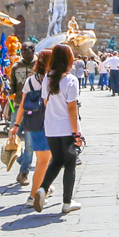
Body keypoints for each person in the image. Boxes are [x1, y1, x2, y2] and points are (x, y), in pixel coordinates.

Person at [35, 43, 82, 214]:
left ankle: (43, 189)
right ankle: (67, 202)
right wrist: (76, 132)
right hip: (66, 128)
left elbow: (46, 103)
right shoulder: (71, 80)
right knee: (70, 164)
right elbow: (72, 109)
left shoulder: (47, 78)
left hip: (51, 128)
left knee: (56, 160)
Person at [8, 49, 53, 208]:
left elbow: (22, 105)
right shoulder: (51, 80)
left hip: (32, 123)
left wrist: (16, 125)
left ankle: (44, 187)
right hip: (46, 124)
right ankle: (33, 196)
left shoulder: (30, 80)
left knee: (45, 160)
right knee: (43, 161)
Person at [8, 42, 36, 185]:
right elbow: (13, 86)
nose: (23, 52)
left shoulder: (39, 66)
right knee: (13, 139)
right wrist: (8, 89)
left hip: (33, 109)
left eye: (26, 50)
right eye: (22, 50)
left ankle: (24, 172)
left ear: (33, 50)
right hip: (18, 106)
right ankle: (23, 161)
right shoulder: (15, 67)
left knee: (30, 143)